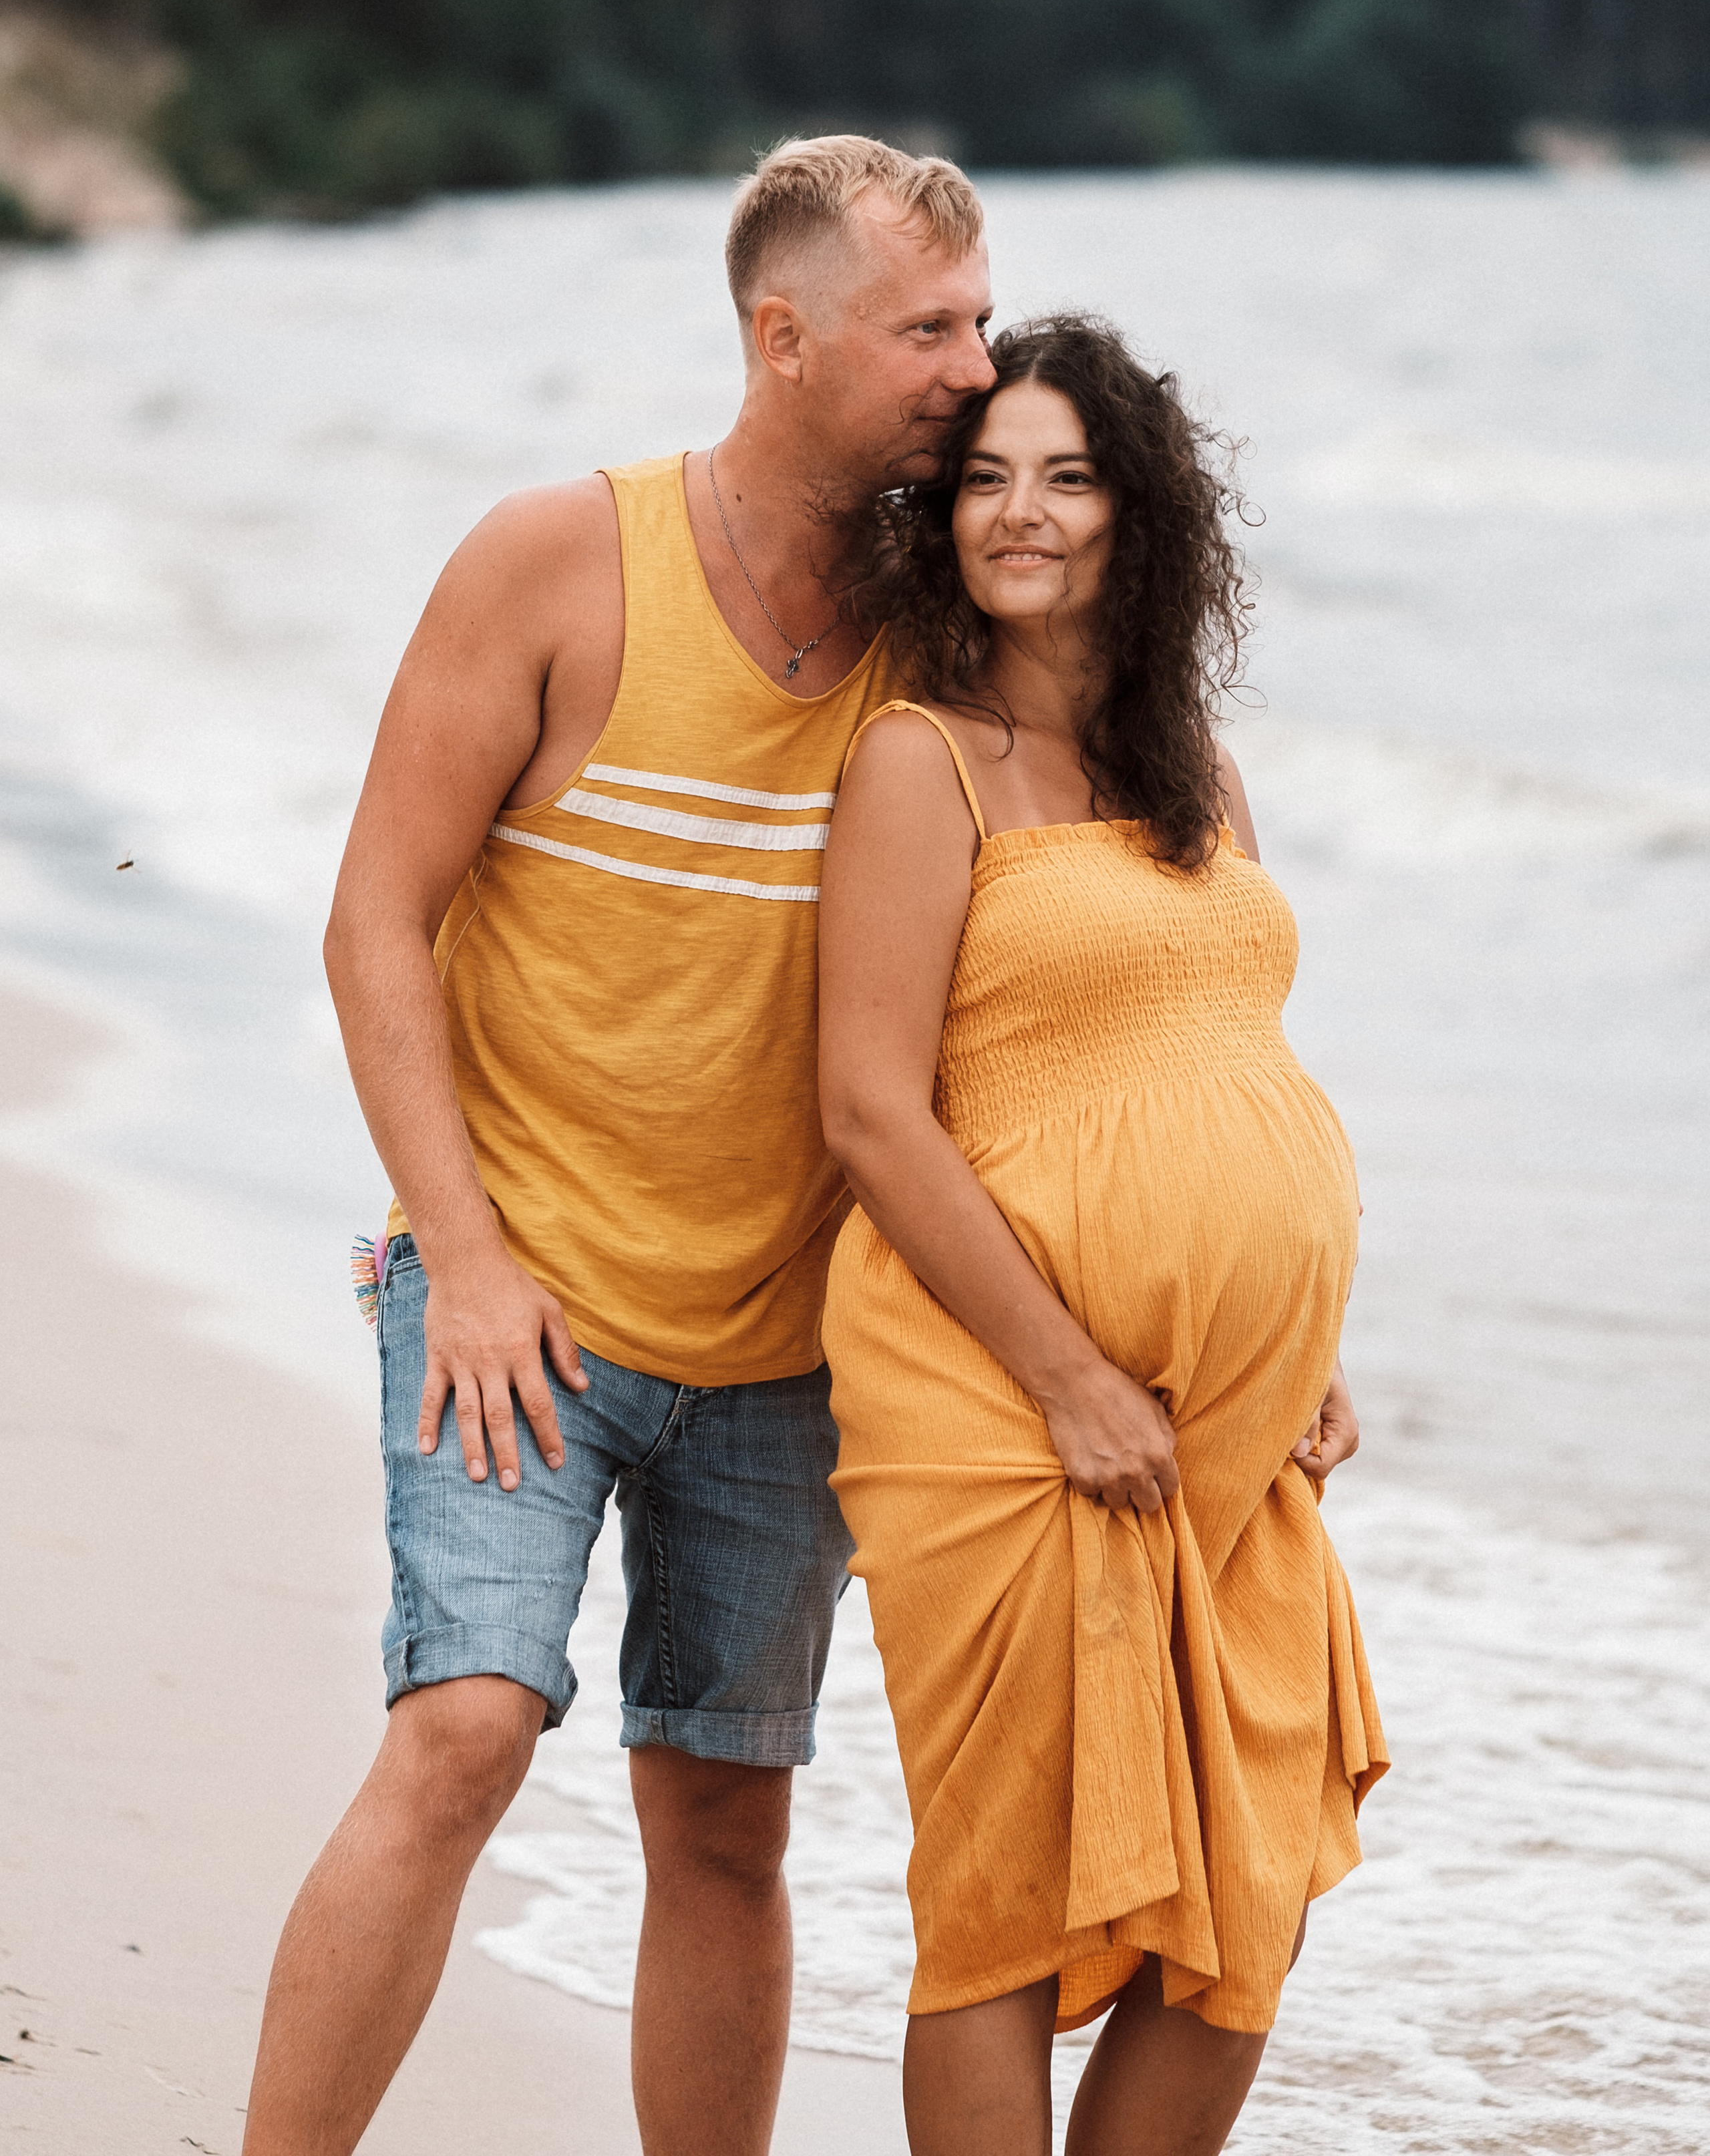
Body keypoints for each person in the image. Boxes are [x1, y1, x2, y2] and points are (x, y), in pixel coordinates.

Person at [240, 135, 996, 2156]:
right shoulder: (558, 561)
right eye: (929, 325)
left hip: (786, 1334)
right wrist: (467, 1259)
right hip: (518, 1288)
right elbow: (373, 916)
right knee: (465, 1733)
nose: (971, 363)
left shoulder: (946, 631)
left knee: (728, 1824)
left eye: (982, 320)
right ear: (786, 337)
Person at [817, 313, 1387, 2156]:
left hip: (1219, 1420)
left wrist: (1294, 1344)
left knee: (1251, 1885)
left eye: (1067, 475)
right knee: (1004, 1891)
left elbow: (1221, 1049)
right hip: (994, 1395)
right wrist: (1067, 1380)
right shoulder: (927, 762)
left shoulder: (1195, 771)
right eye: (987, 477)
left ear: (1141, 512)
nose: (1024, 512)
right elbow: (871, 1113)